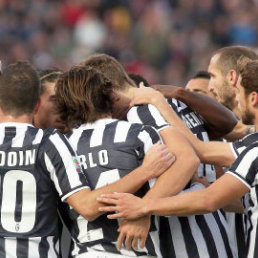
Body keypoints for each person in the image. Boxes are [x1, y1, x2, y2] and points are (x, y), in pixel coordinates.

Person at [0, 61, 172, 258]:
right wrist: (145, 186)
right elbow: (88, 206)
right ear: (37, 104)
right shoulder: (51, 143)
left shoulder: (63, 141)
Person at [97, 58, 258, 258]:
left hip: (192, 244)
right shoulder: (182, 105)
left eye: (239, 93)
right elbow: (232, 133)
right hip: (219, 238)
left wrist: (143, 208)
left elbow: (194, 159)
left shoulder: (143, 111)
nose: (236, 100)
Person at [55, 66, 177, 257]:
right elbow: (169, 196)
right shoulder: (141, 134)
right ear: (110, 93)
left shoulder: (61, 147)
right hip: (138, 250)